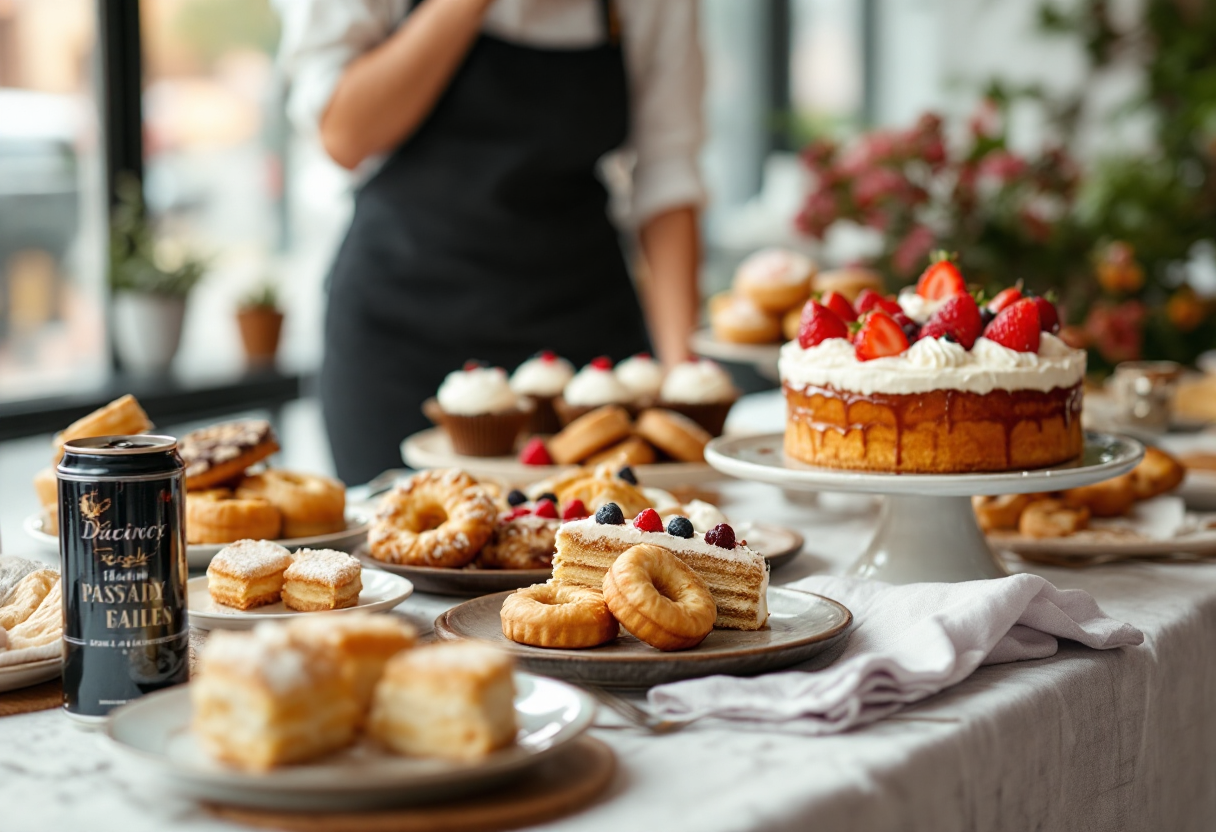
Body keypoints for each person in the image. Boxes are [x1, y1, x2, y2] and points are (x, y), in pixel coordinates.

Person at [275, 0, 705, 484]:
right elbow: (345, 135)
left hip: (585, 337)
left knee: (596, 550)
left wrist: (682, 377)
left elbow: (667, 174)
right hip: (401, 335)